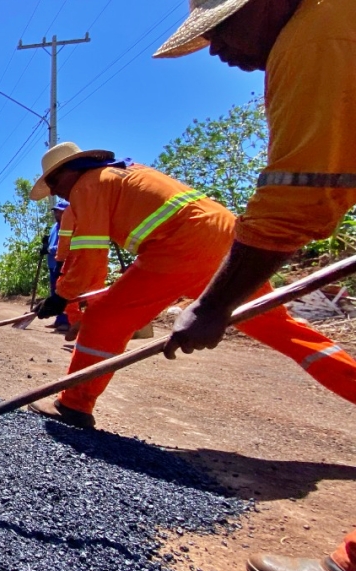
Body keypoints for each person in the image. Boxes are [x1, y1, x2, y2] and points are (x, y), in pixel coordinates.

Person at [154, 1, 356, 571]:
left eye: (219, 30)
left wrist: (211, 308)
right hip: (214, 242)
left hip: (206, 250)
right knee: (287, 329)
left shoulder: (315, 36)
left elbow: (299, 198)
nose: (215, 49)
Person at [25, 141, 356, 431]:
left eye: (54, 184)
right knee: (278, 325)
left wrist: (63, 297)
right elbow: (97, 268)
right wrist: (74, 300)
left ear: (68, 172)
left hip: (180, 244)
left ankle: (73, 405)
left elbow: (90, 256)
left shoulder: (88, 185)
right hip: (228, 238)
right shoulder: (123, 173)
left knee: (105, 319)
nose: (56, 193)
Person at [45, 201, 71, 331]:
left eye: (59, 211)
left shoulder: (69, 226)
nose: (56, 213)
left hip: (64, 264)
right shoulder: (54, 227)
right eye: (55, 211)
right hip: (53, 264)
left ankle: (66, 321)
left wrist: (50, 249)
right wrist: (45, 245)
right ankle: (58, 319)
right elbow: (52, 244)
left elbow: (66, 246)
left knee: (63, 293)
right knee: (54, 292)